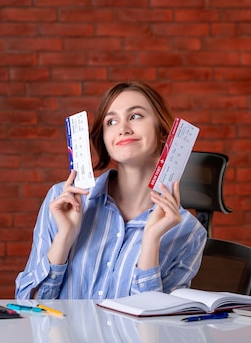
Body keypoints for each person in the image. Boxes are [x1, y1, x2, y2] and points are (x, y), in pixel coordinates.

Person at [15, 81, 207, 299]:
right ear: (104, 139)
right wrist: (65, 236)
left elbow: (158, 326)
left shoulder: (189, 233)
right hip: (63, 333)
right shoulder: (62, 200)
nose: (123, 128)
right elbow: (30, 306)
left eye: (135, 116)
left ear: (163, 131)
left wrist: (151, 240)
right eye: (111, 121)